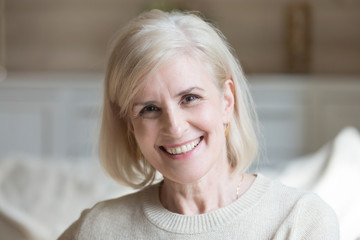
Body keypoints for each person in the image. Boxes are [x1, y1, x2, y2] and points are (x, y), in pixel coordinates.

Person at [58, 9, 339, 239]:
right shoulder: (99, 229)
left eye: (190, 98)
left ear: (227, 101)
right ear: (129, 124)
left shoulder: (301, 221)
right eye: (150, 109)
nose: (176, 127)